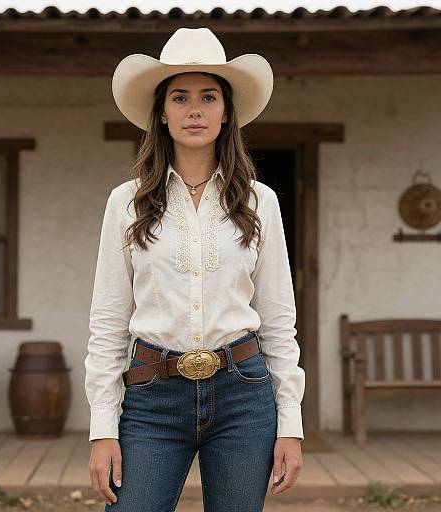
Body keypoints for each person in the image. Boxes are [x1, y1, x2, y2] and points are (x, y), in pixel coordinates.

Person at [85, 26, 305, 512]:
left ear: (227, 113)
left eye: (209, 97)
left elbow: (278, 319)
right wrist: (103, 429)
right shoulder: (127, 203)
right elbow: (107, 322)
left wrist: (290, 423)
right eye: (180, 97)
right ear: (162, 113)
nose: (194, 109)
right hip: (150, 398)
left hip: (243, 396)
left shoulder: (258, 202)